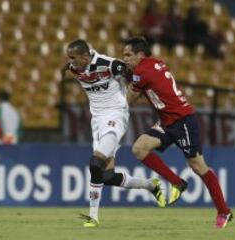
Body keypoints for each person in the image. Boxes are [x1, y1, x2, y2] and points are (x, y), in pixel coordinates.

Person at [123, 37, 233, 228]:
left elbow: (129, 100)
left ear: (140, 55)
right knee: (139, 148)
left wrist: (124, 80)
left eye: (128, 55)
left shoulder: (141, 71)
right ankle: (178, 183)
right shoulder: (154, 63)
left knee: (198, 165)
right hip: (167, 121)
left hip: (182, 120)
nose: (124, 59)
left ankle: (224, 211)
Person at [61, 39, 166, 228]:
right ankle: (151, 185)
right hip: (97, 121)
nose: (71, 62)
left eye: (73, 58)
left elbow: (135, 77)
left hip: (116, 117)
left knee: (95, 163)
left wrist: (135, 95)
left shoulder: (110, 65)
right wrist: (66, 67)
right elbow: (68, 66)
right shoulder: (75, 66)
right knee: (107, 177)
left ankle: (93, 217)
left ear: (85, 57)